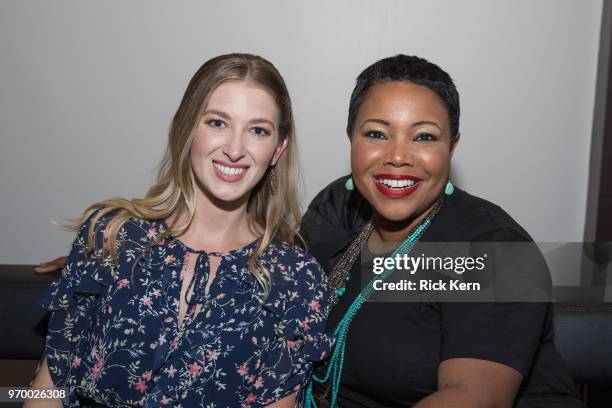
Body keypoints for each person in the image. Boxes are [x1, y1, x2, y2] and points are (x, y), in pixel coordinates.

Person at [28, 53, 331, 408]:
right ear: (187, 128)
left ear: (277, 149)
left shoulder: (295, 280)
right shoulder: (111, 236)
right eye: (218, 123)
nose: (234, 149)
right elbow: (47, 389)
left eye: (258, 130)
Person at [300, 55, 583, 407]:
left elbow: (472, 398)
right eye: (376, 133)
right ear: (350, 138)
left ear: (452, 145)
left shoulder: (492, 247)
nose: (398, 156)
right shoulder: (336, 208)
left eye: (424, 137)